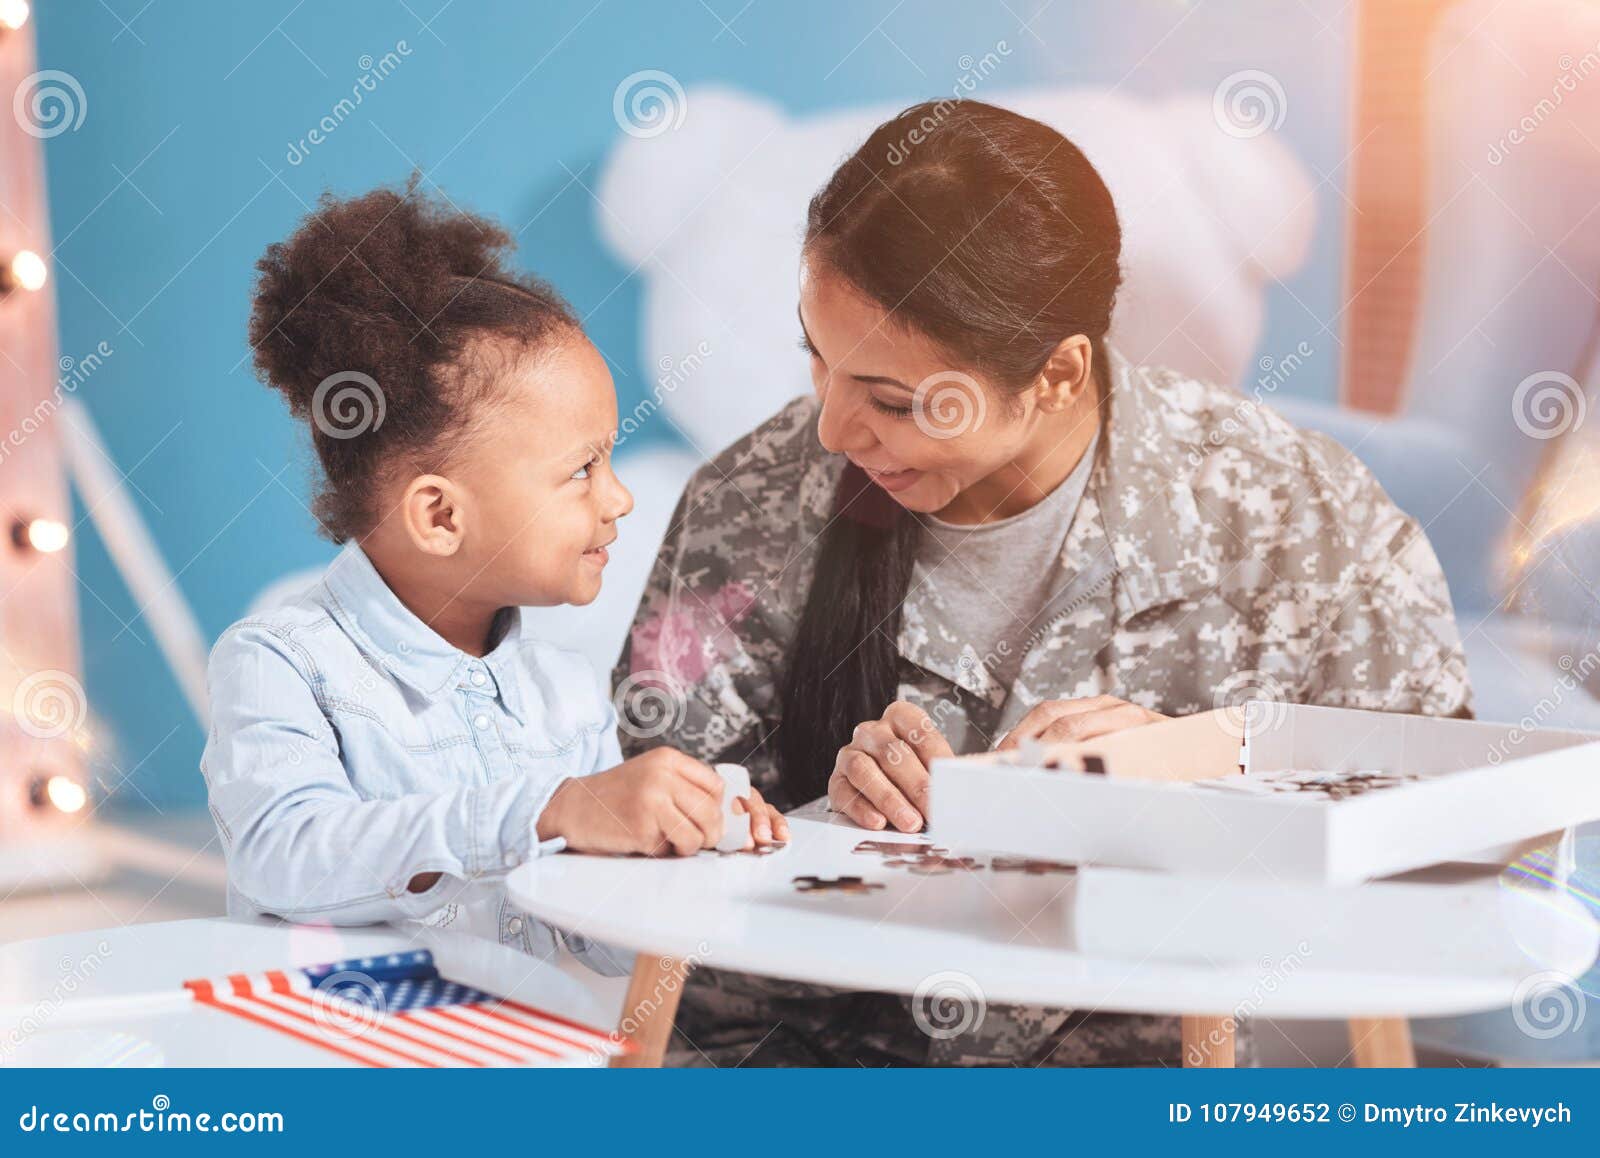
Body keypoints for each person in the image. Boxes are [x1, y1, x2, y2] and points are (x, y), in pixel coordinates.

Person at [615, 101, 1471, 1063]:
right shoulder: (752, 503)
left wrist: (1205, 773)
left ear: (1060, 375)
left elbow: (1451, 829)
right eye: (819, 357)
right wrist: (822, 813)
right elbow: (654, 808)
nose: (832, 434)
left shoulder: (1294, 513)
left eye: (897, 401)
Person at [202, 183, 786, 968]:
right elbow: (287, 852)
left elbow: (596, 937)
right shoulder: (280, 662)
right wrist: (546, 813)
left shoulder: (567, 693)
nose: (618, 498)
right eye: (581, 469)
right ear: (441, 516)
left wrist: (689, 850)